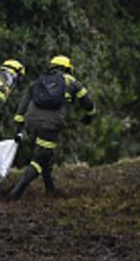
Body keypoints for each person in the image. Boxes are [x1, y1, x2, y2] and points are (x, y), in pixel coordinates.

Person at [8, 55, 95, 198]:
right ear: (67, 69)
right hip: (50, 124)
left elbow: (23, 105)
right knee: (40, 157)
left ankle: (50, 188)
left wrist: (19, 126)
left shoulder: (39, 80)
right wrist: (89, 115)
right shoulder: (70, 81)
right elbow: (88, 102)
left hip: (31, 122)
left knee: (44, 154)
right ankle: (16, 191)